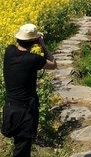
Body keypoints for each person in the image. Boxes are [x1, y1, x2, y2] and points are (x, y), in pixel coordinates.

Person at [1, 23, 57, 157]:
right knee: (22, 150)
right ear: (34, 41)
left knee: (18, 146)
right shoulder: (33, 59)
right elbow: (53, 64)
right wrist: (43, 45)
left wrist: (32, 40)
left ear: (18, 38)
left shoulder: (9, 51)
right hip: (25, 112)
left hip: (10, 108)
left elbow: (20, 51)